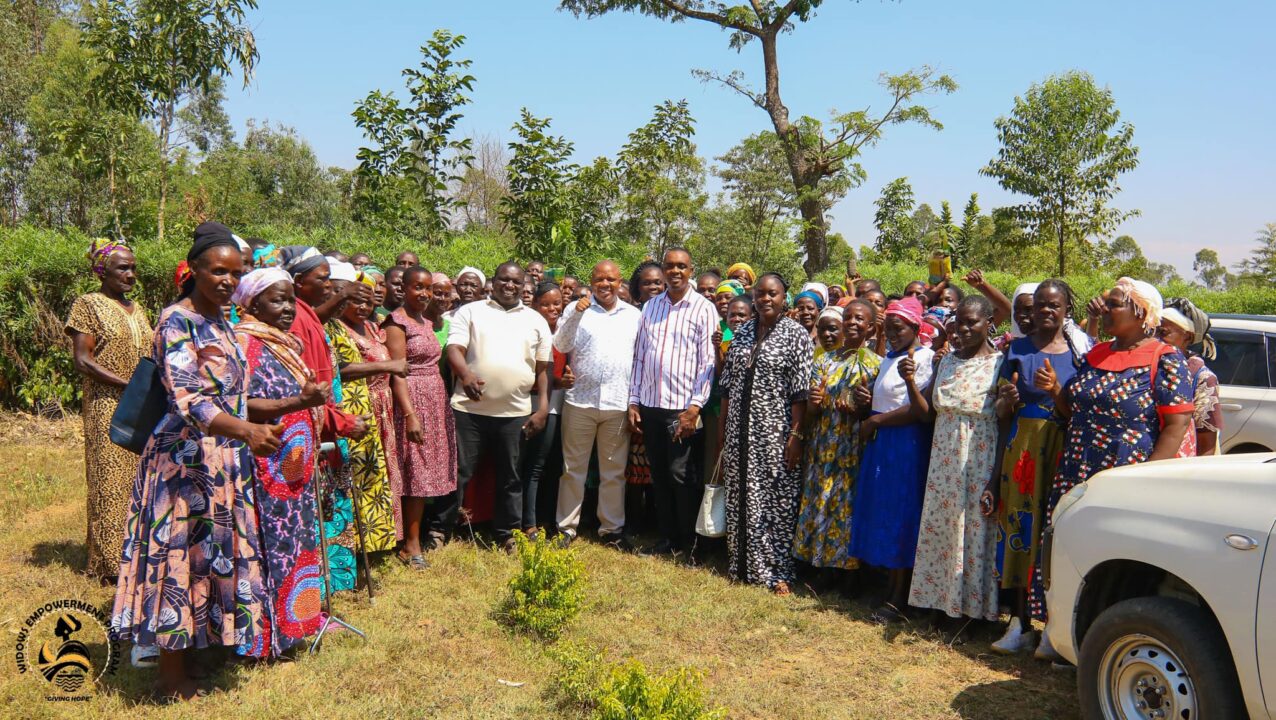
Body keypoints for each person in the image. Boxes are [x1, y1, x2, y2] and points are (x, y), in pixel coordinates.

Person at [112, 223, 282, 700]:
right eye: (218, 271)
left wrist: (284, 406)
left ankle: (203, 646)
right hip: (182, 462)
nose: (228, 280)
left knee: (210, 556)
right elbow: (191, 399)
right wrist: (246, 431)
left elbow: (236, 395)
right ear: (195, 271)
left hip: (222, 460)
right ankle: (169, 676)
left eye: (236, 272)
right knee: (177, 559)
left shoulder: (224, 322)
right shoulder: (176, 320)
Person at [1030, 277, 1194, 659]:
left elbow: (1176, 425)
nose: (1104, 309)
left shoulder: (1164, 358)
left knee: (1113, 556)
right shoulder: (1096, 354)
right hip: (1076, 470)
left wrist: (1146, 482)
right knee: (1068, 549)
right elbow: (1071, 410)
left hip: (1125, 476)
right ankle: (1059, 632)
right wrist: (1056, 392)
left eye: (1115, 303)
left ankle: (1108, 643)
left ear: (1142, 313)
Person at [986, 280, 1087, 655]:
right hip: (1023, 448)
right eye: (1041, 304)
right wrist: (1008, 400)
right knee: (1019, 530)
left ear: (1065, 309)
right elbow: (999, 411)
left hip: (1061, 447)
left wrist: (1056, 390)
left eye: (1054, 305)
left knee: (1053, 533)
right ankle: (1018, 623)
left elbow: (1079, 412)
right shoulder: (1017, 349)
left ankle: (1053, 628)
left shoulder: (1079, 353)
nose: (1046, 311)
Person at [232, 267, 329, 658]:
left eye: (291, 299)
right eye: (277, 299)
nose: (288, 307)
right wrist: (298, 403)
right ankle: (265, 636)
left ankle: (296, 626)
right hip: (265, 464)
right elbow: (240, 405)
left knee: (297, 544)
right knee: (270, 546)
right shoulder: (245, 344)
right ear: (253, 303)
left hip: (294, 468)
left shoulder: (283, 343)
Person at [907, 296, 1004, 629]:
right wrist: (910, 382)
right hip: (943, 459)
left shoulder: (1000, 364)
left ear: (989, 322)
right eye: (959, 321)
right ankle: (938, 603)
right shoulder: (945, 361)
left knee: (974, 532)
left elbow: (1004, 423)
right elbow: (927, 410)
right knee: (943, 530)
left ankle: (971, 613)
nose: (963, 328)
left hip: (978, 457)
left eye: (972, 322)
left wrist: (995, 477)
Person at [443, 262, 552, 551]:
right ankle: (440, 529)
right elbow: (453, 348)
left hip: (515, 413)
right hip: (469, 409)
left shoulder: (536, 319)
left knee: (511, 476)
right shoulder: (471, 311)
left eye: (516, 282)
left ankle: (507, 534)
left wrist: (541, 409)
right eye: (504, 280)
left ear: (523, 285)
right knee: (459, 472)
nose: (509, 286)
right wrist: (465, 375)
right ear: (495, 281)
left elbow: (543, 370)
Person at [66, 238, 154, 580]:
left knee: (138, 477)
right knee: (109, 480)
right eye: (122, 268)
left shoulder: (138, 308)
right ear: (102, 270)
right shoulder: (87, 304)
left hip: (142, 402)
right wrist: (126, 384)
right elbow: (83, 360)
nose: (130, 275)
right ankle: (108, 563)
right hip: (107, 403)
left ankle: (137, 551)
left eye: (133, 268)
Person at [719, 273, 812, 594]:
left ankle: (777, 572)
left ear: (784, 297)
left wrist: (796, 436)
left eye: (772, 294)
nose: (765, 299)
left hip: (776, 433)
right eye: (760, 294)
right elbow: (727, 388)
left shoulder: (796, 335)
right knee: (740, 495)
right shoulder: (742, 333)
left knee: (776, 500)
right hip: (738, 434)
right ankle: (741, 565)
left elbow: (801, 393)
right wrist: (724, 436)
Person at [849, 296, 935, 622]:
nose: (894, 333)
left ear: (915, 327)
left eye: (899, 328)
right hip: (883, 442)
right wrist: (866, 403)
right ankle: (889, 588)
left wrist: (875, 421)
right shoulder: (890, 357)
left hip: (905, 443)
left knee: (902, 516)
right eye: (889, 328)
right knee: (884, 512)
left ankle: (901, 597)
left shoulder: (924, 358)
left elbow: (918, 409)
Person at [628, 248, 718, 557]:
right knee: (661, 476)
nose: (675, 271)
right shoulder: (650, 306)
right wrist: (634, 401)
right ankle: (668, 540)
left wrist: (694, 408)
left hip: (683, 411)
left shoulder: (704, 309)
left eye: (681, 266)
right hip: (651, 407)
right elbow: (640, 357)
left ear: (691, 270)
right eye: (670, 266)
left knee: (683, 477)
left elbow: (708, 363)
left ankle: (691, 543)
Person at [793, 298, 881, 587]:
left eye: (860, 320)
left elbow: (875, 410)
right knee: (820, 500)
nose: (853, 323)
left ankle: (849, 574)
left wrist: (862, 408)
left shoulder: (876, 365)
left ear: (870, 328)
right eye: (850, 318)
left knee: (847, 507)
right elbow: (811, 409)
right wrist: (815, 404)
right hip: (822, 443)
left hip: (853, 447)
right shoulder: (824, 359)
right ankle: (821, 566)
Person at [555, 260, 641, 549]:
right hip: (580, 400)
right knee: (573, 469)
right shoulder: (575, 309)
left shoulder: (633, 315)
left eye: (611, 279)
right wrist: (575, 315)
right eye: (599, 279)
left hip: (617, 402)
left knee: (614, 471)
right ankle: (566, 528)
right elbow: (561, 345)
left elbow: (640, 360)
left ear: (620, 283)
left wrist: (634, 401)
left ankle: (611, 529)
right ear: (591, 280)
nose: (605, 284)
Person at [329, 265, 406, 556]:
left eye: (368, 300)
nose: (362, 306)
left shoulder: (375, 326)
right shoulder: (335, 329)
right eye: (356, 300)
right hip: (353, 406)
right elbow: (338, 370)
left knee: (377, 476)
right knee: (356, 478)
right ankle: (354, 548)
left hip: (379, 408)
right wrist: (387, 366)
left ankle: (378, 543)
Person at [384, 267, 459, 564]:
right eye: (418, 287)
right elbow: (398, 372)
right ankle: (410, 545)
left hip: (434, 398)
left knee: (426, 471)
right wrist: (410, 414)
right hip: (412, 399)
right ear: (403, 288)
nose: (425, 294)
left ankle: (416, 536)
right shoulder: (396, 322)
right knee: (415, 471)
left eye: (428, 288)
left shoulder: (426, 321)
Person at [519, 282, 569, 535]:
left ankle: (542, 520)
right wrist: (557, 381)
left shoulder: (563, 332)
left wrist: (564, 379)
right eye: (546, 304)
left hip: (558, 407)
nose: (553, 308)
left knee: (548, 465)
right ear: (535, 304)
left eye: (557, 303)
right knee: (528, 464)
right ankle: (525, 522)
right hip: (532, 405)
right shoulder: (527, 329)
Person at [1160, 298, 1222, 456]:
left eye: (1163, 333)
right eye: (1152, 332)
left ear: (1187, 337)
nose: (1156, 339)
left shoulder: (1201, 378)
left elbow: (1206, 444)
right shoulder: (1152, 367)